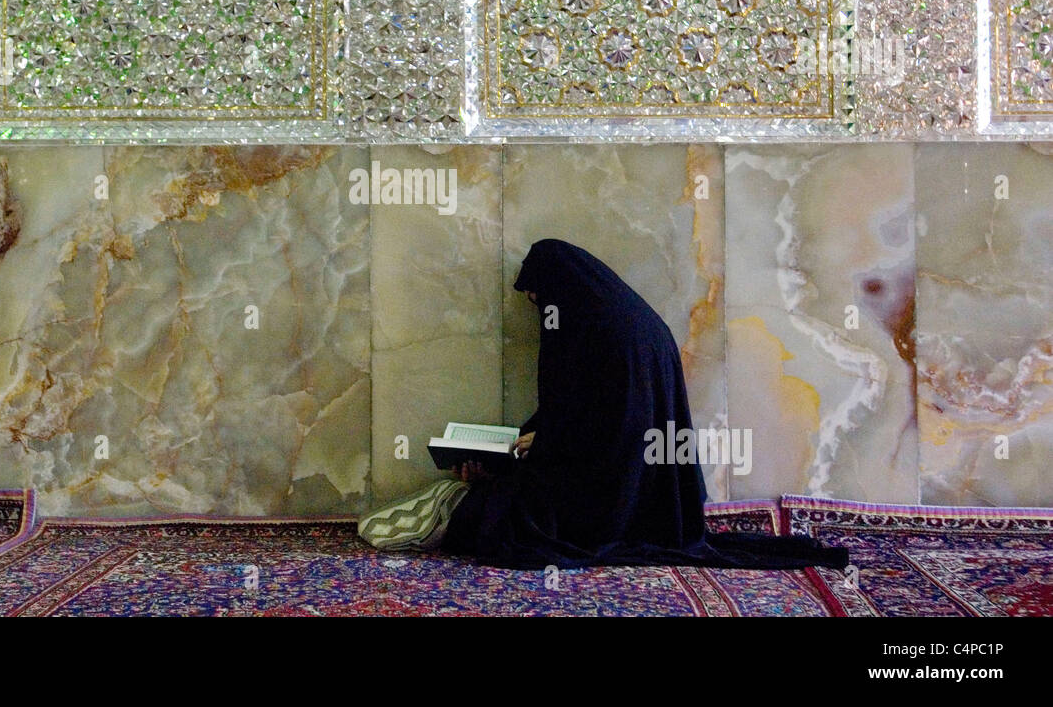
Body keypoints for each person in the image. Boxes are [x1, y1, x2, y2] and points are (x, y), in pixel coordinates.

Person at [358, 238, 849, 572]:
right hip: (632, 481)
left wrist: (534, 448)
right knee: (496, 502)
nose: (537, 309)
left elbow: (601, 428)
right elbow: (588, 409)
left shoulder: (599, 327)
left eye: (537, 297)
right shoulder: (613, 318)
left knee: (496, 527)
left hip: (612, 493)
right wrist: (537, 441)